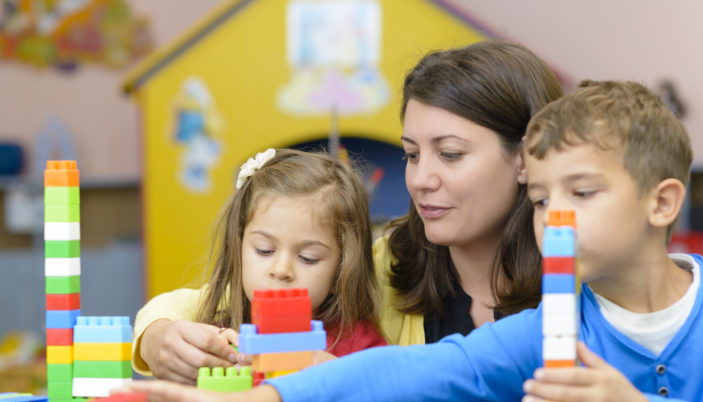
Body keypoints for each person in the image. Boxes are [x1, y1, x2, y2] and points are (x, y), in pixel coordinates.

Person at [130, 80, 703, 402]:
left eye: (583, 192)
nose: (554, 216)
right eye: (540, 198)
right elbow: (402, 373)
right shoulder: (549, 331)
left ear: (661, 203)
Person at [132, 40, 564, 380]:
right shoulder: (382, 265)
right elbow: (202, 302)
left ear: (526, 159)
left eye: (449, 154)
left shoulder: (573, 272)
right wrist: (158, 337)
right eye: (412, 155)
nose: (420, 179)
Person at [134, 148, 386, 383]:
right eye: (264, 250)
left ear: (341, 269)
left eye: (308, 257)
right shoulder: (219, 337)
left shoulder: (358, 346)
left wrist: (340, 377)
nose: (281, 270)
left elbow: (390, 392)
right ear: (239, 247)